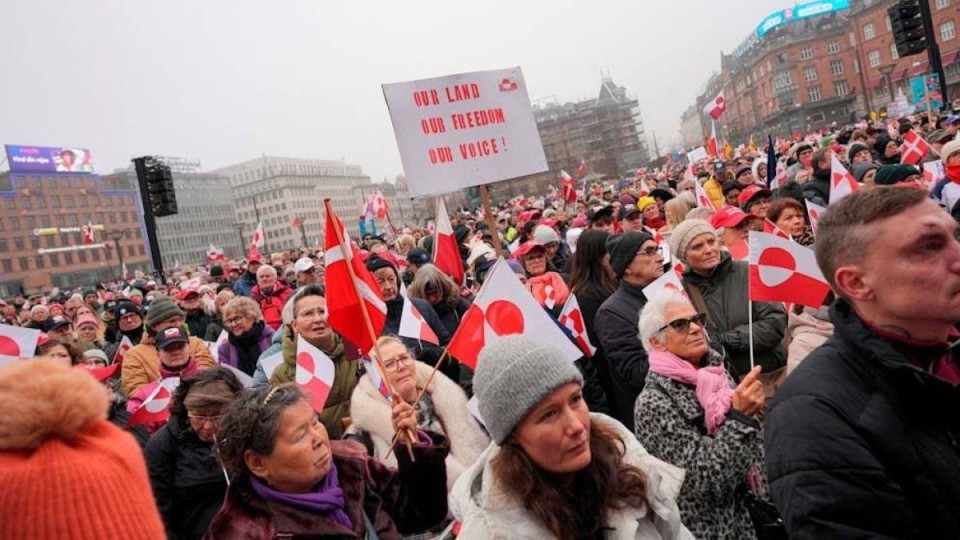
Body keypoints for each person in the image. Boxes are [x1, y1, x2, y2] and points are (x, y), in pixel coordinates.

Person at [765, 187, 960, 537]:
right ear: (855, 283)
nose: (957, 257)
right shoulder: (813, 415)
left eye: (955, 236)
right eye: (929, 247)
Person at [450, 335, 691, 539]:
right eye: (549, 415)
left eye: (575, 399)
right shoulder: (488, 532)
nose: (576, 426)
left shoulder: (626, 461)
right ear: (512, 436)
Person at [207, 384, 451, 539]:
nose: (319, 439)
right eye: (300, 435)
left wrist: (414, 446)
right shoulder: (240, 529)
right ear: (257, 463)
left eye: (315, 422)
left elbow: (423, 514)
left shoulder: (352, 465)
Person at [634, 291, 768, 539]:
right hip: (715, 529)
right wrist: (740, 419)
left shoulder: (714, 372)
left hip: (756, 516)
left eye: (697, 320)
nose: (696, 328)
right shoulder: (653, 402)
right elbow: (706, 482)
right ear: (657, 342)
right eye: (680, 325)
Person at [0, 359, 166, 539]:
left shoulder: (117, 435)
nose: (110, 385)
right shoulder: (114, 440)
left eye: (109, 380)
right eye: (101, 382)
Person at [347, 336, 489, 491]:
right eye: (389, 364)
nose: (401, 366)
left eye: (404, 358)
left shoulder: (449, 399)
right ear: (376, 378)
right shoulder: (362, 433)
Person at [670, 220, 787, 388]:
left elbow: (775, 324)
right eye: (697, 247)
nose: (709, 250)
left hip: (768, 377)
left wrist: (726, 339)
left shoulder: (748, 271)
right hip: (721, 388)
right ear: (684, 257)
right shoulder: (681, 293)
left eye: (711, 241)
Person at [146, 368, 243, 540]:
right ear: (186, 412)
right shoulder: (163, 446)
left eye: (217, 417)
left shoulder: (242, 435)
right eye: (199, 416)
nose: (208, 426)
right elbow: (157, 513)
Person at [262, 285, 358, 439]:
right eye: (308, 314)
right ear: (294, 325)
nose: (318, 319)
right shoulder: (281, 375)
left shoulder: (355, 354)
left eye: (322, 311)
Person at [595, 231, 665, 429]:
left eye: (657, 249)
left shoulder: (668, 292)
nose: (659, 257)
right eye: (649, 252)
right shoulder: (611, 313)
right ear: (627, 266)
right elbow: (636, 372)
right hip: (654, 420)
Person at [366, 255, 451, 371]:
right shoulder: (367, 320)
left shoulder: (421, 307)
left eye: (391, 279)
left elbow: (447, 345)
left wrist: (436, 355)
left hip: (433, 380)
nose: (388, 286)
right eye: (380, 282)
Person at [121, 297, 216, 397]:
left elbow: (207, 372)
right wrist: (166, 387)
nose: (178, 325)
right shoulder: (135, 355)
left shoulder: (195, 343)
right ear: (154, 326)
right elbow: (135, 392)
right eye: (171, 321)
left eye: (180, 320)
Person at [569, 229, 619, 413]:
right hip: (610, 381)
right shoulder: (588, 296)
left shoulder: (610, 284)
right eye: (610, 255)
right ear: (596, 258)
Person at [218, 297, 275, 377]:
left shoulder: (272, 340)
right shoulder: (225, 350)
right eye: (230, 321)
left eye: (238, 318)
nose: (233, 324)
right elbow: (226, 379)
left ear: (252, 317)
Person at [251, 265, 293, 331]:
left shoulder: (287, 293)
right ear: (258, 281)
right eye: (261, 277)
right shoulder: (253, 300)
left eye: (267, 276)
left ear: (275, 278)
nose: (264, 279)